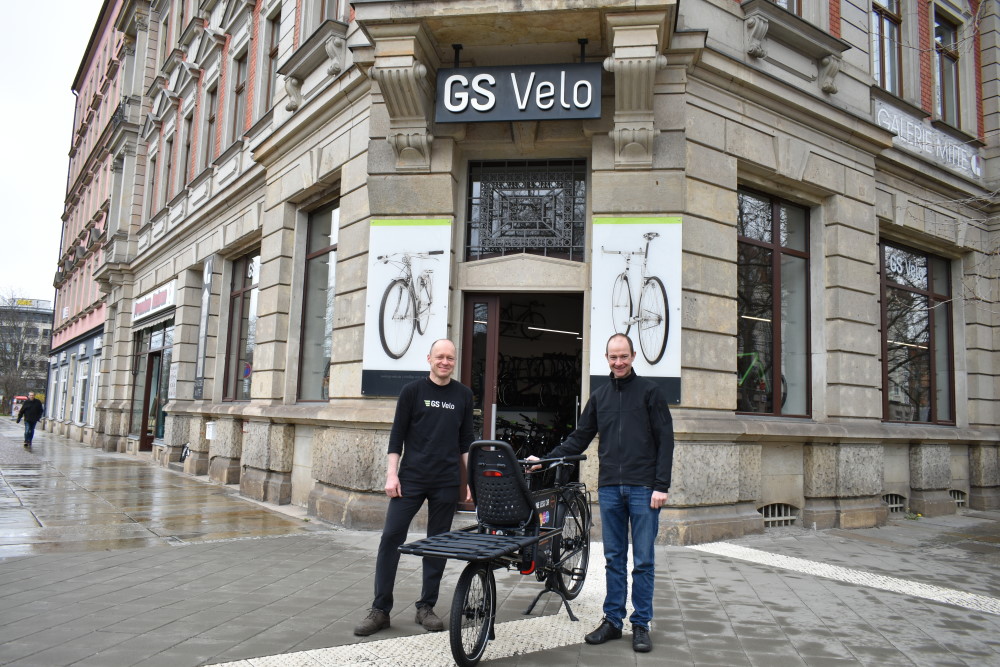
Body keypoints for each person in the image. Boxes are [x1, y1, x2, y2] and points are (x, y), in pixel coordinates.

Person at [535, 333, 674, 653]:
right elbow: (578, 439)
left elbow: (666, 440)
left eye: (623, 356)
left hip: (643, 489)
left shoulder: (651, 393)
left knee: (643, 561)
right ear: (606, 358)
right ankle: (613, 620)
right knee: (613, 559)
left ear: (634, 356)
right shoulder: (599, 397)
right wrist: (543, 460)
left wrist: (661, 486)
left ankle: (640, 624)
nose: (618, 362)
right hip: (610, 487)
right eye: (613, 357)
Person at [354, 338, 475, 636]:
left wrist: (470, 479)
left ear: (454, 361)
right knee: (391, 537)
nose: (445, 362)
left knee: (438, 543)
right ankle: (380, 609)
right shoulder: (412, 392)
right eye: (440, 357)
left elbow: (465, 442)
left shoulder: (463, 395)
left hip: (446, 481)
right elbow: (397, 438)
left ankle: (426, 607)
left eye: (450, 357)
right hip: (411, 479)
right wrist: (391, 475)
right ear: (429, 359)